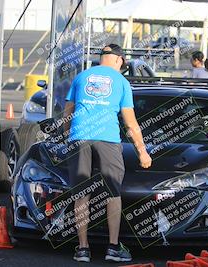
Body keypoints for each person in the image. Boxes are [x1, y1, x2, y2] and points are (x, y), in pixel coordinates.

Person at [63, 44, 152, 263]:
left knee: (81, 194)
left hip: (79, 136)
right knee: (113, 192)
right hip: (107, 138)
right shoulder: (122, 82)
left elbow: (67, 113)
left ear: (101, 58)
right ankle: (113, 247)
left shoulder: (81, 77)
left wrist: (68, 136)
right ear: (119, 60)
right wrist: (142, 152)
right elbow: (130, 123)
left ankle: (83, 248)